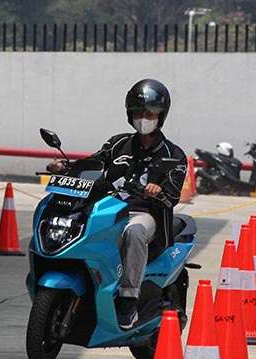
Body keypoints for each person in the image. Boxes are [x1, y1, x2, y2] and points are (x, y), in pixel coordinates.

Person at [48, 79, 187, 330]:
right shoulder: (117, 144)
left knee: (135, 232)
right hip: (110, 208)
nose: (143, 118)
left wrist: (158, 190)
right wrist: (66, 167)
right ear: (129, 114)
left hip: (144, 214)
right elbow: (91, 163)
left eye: (149, 113)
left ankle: (128, 300)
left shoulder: (174, 155)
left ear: (161, 116)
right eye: (138, 112)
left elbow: (173, 195)